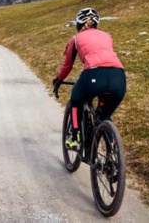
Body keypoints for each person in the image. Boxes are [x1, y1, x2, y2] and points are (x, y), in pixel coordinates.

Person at [53, 8, 126, 151]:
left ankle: (75, 138)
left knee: (75, 100)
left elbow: (67, 66)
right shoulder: (107, 36)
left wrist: (58, 80)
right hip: (119, 78)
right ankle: (113, 149)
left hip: (93, 76)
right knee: (104, 114)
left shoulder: (75, 39)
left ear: (79, 25)